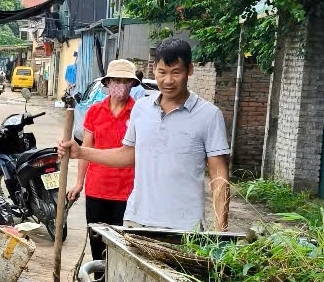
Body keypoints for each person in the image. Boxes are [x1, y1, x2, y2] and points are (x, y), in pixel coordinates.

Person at [58, 37, 230, 232]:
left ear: (189, 70)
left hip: (184, 227)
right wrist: (81, 152)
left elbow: (219, 177)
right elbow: (128, 154)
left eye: (176, 72)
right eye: (162, 72)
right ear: (154, 69)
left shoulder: (209, 115)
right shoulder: (142, 109)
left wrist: (220, 232)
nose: (168, 80)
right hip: (136, 220)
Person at [66, 59, 139, 263]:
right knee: (97, 247)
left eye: (126, 81)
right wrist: (79, 182)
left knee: (121, 250)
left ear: (132, 84)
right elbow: (84, 151)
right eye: (117, 80)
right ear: (107, 83)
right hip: (97, 189)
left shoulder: (138, 113)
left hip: (127, 192)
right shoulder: (95, 111)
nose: (121, 86)